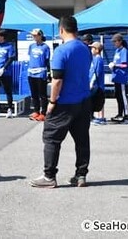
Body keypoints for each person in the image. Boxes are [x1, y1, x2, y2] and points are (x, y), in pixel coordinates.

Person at [30, 16, 92, 188]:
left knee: (51, 138)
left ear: (61, 30)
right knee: (82, 139)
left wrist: (52, 101)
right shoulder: (85, 49)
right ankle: (81, 175)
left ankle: (49, 176)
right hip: (84, 100)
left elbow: (57, 79)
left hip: (64, 102)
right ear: (76, 29)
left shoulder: (61, 51)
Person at [28, 28, 51, 122]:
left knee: (42, 94)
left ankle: (44, 113)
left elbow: (47, 60)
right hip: (31, 72)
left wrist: (48, 73)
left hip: (41, 72)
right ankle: (36, 111)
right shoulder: (31, 46)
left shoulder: (45, 47)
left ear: (40, 36)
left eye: (35, 35)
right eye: (33, 35)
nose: (34, 37)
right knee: (34, 94)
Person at [109, 33, 128, 123]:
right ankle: (120, 114)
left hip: (122, 77)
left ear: (120, 41)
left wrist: (115, 65)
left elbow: (125, 65)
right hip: (116, 77)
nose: (114, 43)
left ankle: (126, 116)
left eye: (115, 41)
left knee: (123, 96)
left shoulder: (124, 51)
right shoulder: (117, 51)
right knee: (118, 96)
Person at [89, 41, 106, 125]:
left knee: (92, 101)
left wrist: (91, 83)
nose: (91, 50)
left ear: (97, 50)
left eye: (93, 48)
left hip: (96, 85)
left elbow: (96, 73)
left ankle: (91, 118)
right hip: (93, 84)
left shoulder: (98, 59)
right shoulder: (94, 59)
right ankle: (91, 117)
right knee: (90, 101)